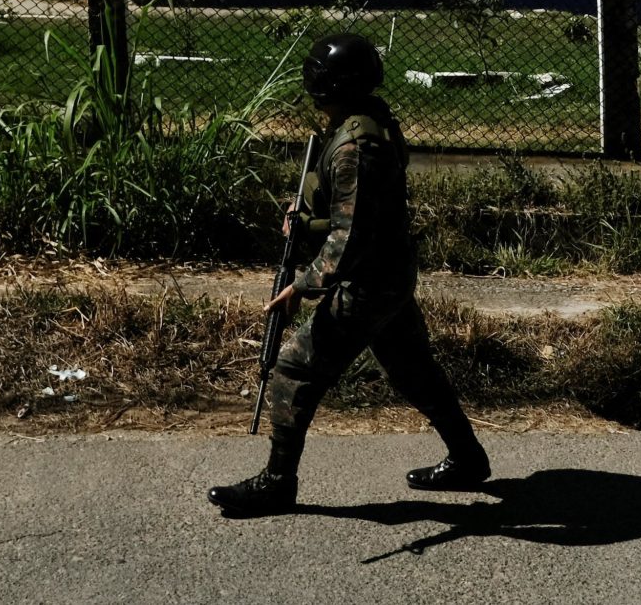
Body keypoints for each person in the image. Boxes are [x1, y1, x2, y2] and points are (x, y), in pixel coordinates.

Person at [209, 34, 489, 515]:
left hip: (369, 282)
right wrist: (307, 214)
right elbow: (354, 212)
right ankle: (467, 457)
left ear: (325, 83)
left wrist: (303, 284)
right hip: (388, 274)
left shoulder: (354, 145)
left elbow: (350, 236)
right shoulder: (366, 122)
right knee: (413, 369)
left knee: (296, 368)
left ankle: (278, 482)